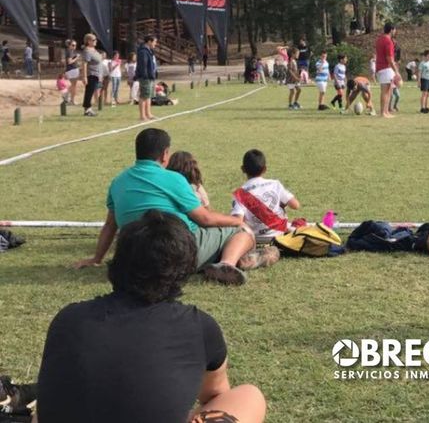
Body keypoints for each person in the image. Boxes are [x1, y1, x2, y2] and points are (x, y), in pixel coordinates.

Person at [39, 212, 267, 423]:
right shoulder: (199, 327)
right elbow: (214, 395)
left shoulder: (67, 318)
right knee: (249, 396)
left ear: (117, 262)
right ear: (185, 271)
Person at [73, 128, 255, 285]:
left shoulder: (118, 182)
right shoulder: (174, 179)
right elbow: (205, 219)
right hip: (177, 255)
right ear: (165, 154)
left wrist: (96, 259)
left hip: (135, 260)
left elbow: (110, 225)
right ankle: (226, 264)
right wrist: (236, 221)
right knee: (243, 231)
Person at [231, 149, 301, 237]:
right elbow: (295, 205)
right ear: (265, 169)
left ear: (243, 169)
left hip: (255, 238)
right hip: (279, 234)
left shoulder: (239, 194)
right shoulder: (275, 184)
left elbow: (237, 221)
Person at [375, 22, 399, 118]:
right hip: (386, 68)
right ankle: (383, 112)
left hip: (380, 67)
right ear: (391, 30)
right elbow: (389, 58)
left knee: (388, 91)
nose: (395, 31)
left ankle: (386, 111)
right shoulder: (388, 41)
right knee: (385, 91)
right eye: (395, 29)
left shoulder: (379, 39)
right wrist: (396, 71)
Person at [135, 34, 158, 121]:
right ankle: (142, 116)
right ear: (149, 41)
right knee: (144, 96)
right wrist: (145, 76)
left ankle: (148, 114)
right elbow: (143, 65)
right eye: (154, 42)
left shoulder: (149, 51)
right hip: (145, 77)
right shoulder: (143, 51)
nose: (155, 44)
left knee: (149, 96)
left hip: (150, 76)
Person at [80, 33, 102, 117]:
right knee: (89, 91)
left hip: (96, 74)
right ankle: (87, 109)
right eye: (93, 40)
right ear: (88, 41)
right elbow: (84, 64)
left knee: (92, 91)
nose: (96, 41)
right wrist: (84, 76)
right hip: (91, 74)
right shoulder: (87, 51)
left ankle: (88, 108)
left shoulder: (93, 50)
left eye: (96, 39)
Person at [64, 39, 81, 104]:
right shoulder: (70, 51)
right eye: (73, 45)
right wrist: (77, 57)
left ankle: (68, 97)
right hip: (72, 70)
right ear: (69, 45)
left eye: (75, 45)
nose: (74, 47)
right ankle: (71, 100)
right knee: (73, 86)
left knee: (73, 85)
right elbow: (69, 62)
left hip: (71, 70)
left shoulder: (70, 51)